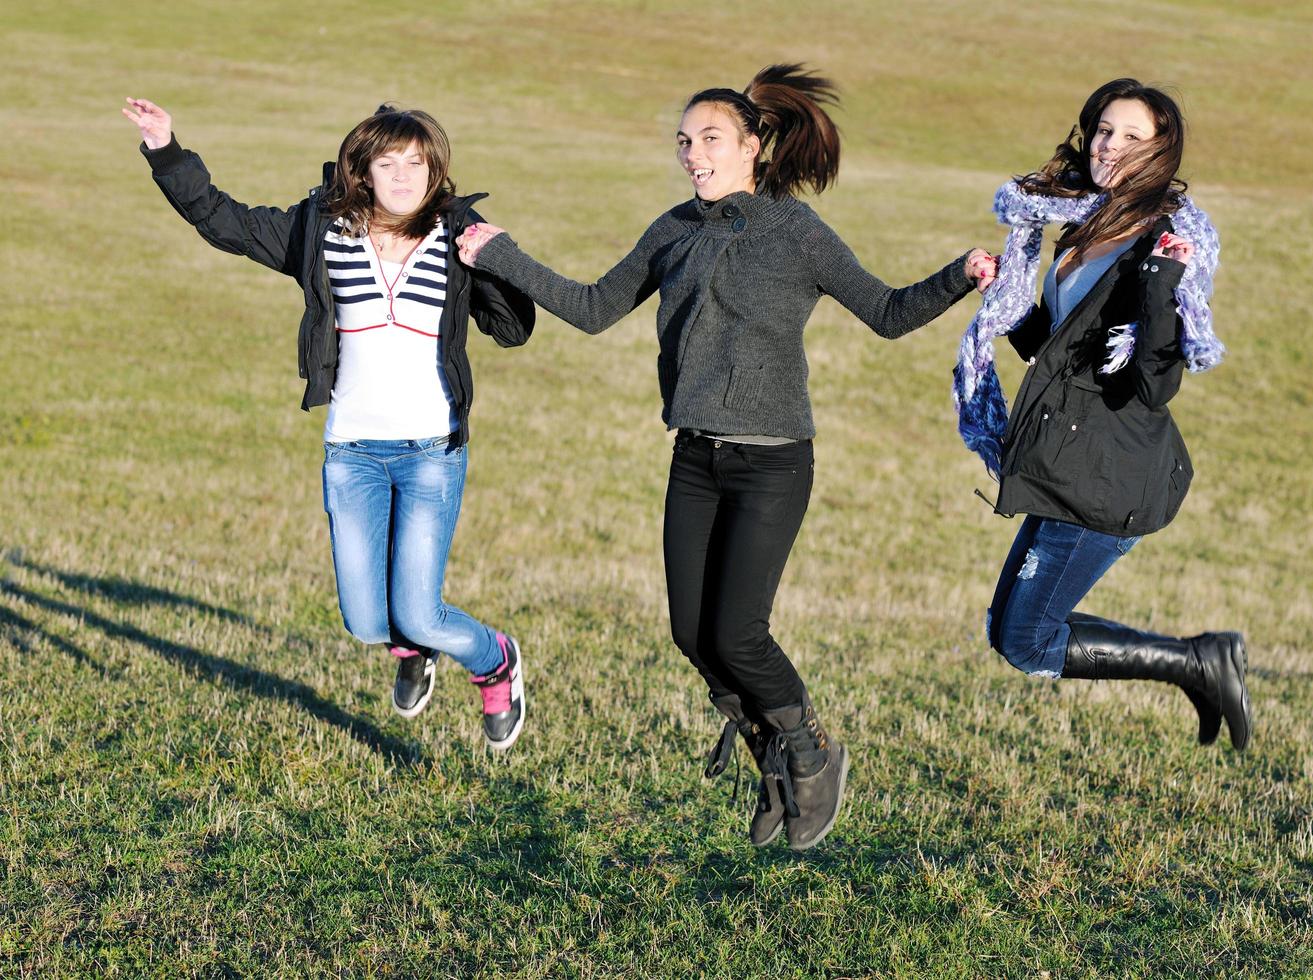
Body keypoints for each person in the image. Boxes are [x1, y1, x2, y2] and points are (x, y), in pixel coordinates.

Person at [456, 65, 996, 848]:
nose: (693, 154)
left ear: (754, 145)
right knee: (690, 633)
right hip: (696, 458)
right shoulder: (674, 228)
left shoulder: (796, 230)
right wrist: (503, 255)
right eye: (684, 141)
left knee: (737, 634)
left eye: (710, 139)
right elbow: (594, 307)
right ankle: (771, 754)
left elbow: (884, 312)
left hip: (772, 463)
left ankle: (810, 753)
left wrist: (960, 277)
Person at [123, 98, 534, 751]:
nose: (404, 176)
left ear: (436, 171)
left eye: (418, 163)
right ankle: (410, 649)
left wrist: (501, 262)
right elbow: (221, 220)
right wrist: (166, 149)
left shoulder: (457, 232)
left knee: (421, 609)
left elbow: (512, 329)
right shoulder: (320, 227)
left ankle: (496, 662)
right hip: (353, 452)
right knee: (369, 620)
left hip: (431, 449)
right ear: (362, 169)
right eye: (389, 162)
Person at [952, 78, 1251, 751]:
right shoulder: (1090, 223)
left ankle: (1201, 663)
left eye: (1130, 136)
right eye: (1103, 130)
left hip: (1110, 479)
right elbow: (1059, 354)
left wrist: (1158, 284)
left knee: (1028, 641)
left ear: (1161, 151)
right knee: (1009, 632)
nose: (1108, 145)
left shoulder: (1168, 243)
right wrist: (1005, 298)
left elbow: (1151, 383)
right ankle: (1203, 663)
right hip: (1069, 465)